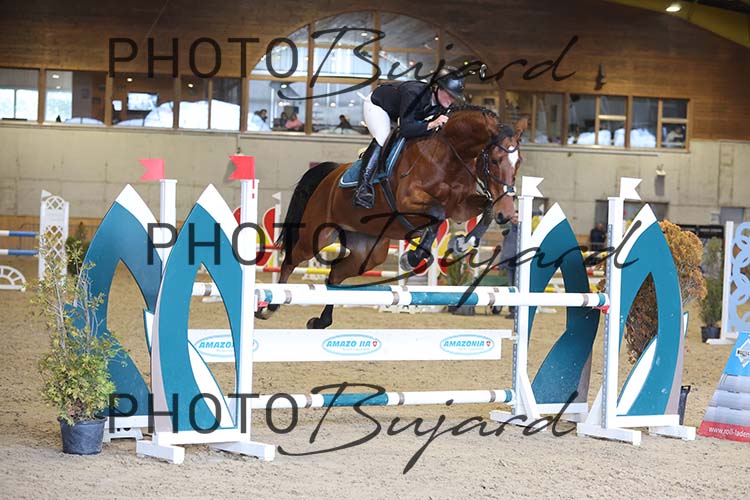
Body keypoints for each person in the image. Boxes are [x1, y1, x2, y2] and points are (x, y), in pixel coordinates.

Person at [353, 66, 466, 209]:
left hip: (400, 114)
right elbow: (406, 129)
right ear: (436, 87)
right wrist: (432, 124)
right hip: (379, 106)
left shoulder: (442, 106)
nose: (452, 99)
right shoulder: (414, 93)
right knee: (383, 136)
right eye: (449, 94)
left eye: (454, 96)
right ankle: (363, 188)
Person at [493, 211, 519, 318]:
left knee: (517, 287)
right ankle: (510, 309)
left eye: (517, 217)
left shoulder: (524, 232)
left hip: (519, 265)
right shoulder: (507, 230)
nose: (515, 219)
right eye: (513, 217)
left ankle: (515, 310)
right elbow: (505, 249)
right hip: (508, 263)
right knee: (509, 287)